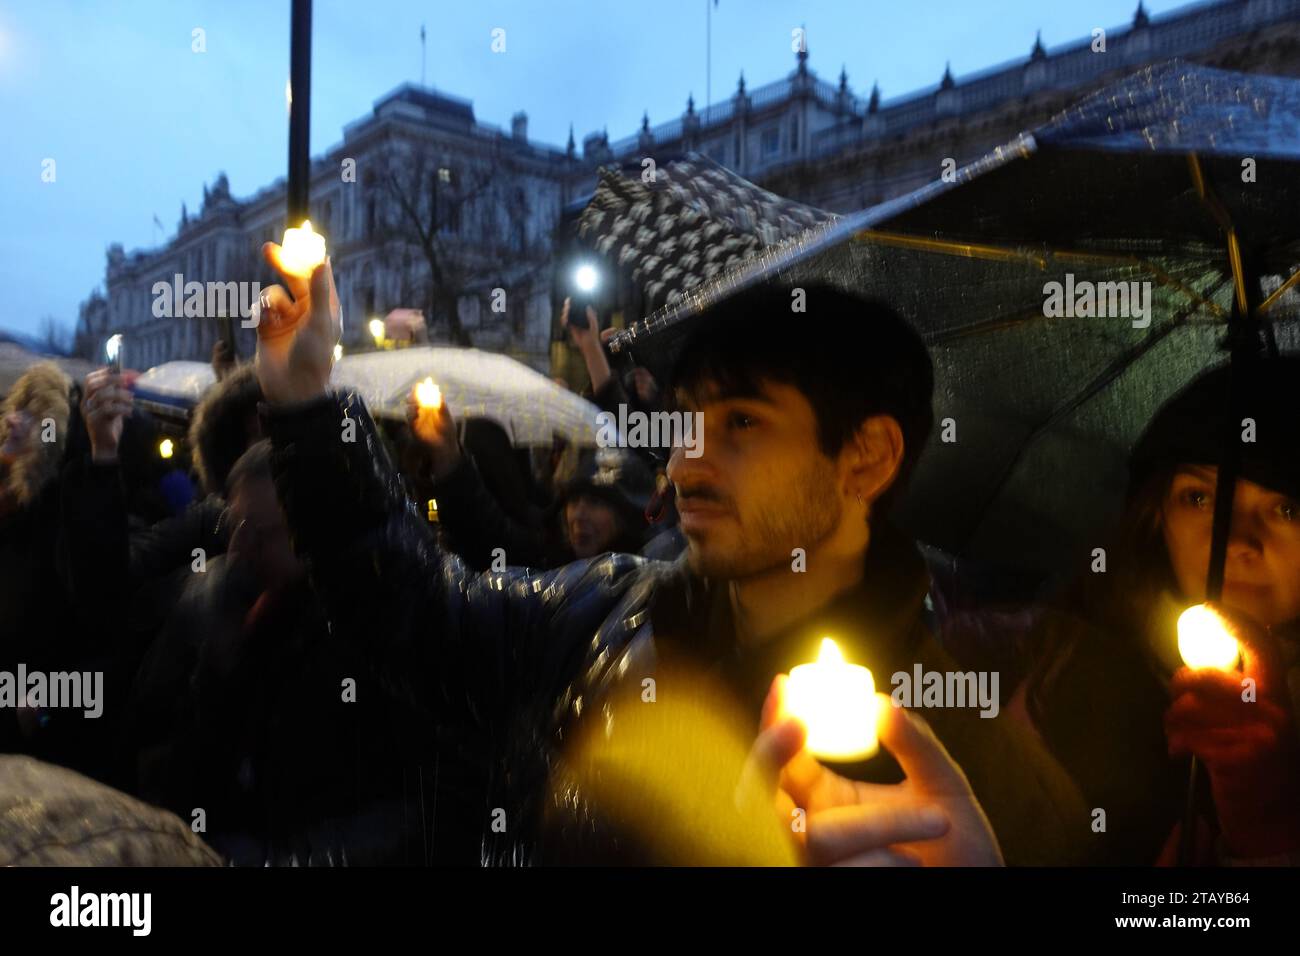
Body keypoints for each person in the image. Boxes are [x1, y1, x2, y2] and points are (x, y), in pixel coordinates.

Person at [251, 247, 1086, 865]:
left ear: (866, 457)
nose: (685, 462)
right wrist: (309, 409)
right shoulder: (606, 609)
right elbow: (416, 615)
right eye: (687, 419)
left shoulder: (973, 767)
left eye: (743, 424)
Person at [1013, 357, 1300, 864]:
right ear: (1154, 514)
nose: (1236, 540)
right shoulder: (1047, 670)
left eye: (1286, 509)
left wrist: (1268, 833)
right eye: (1200, 498)